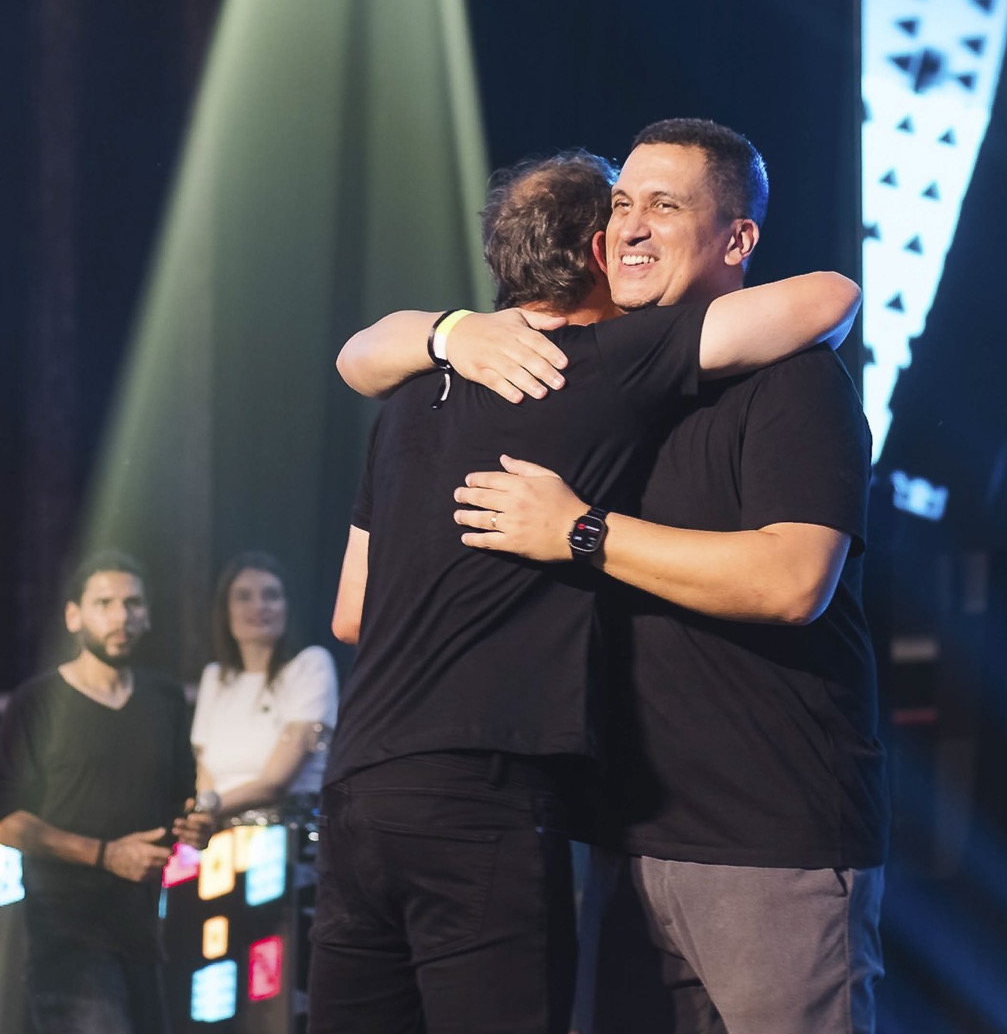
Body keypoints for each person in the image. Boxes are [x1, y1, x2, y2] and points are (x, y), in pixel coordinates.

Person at [343, 119, 888, 1034]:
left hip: (768, 840)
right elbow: (363, 356)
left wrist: (582, 532)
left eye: (664, 206)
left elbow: (794, 580)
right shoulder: (586, 379)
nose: (630, 226)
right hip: (619, 844)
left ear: (737, 240)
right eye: (622, 204)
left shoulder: (792, 381)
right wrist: (449, 332)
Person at [0, 552, 213, 1034]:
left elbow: (181, 797)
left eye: (133, 603)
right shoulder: (38, 701)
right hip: (67, 936)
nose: (121, 616)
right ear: (74, 616)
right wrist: (106, 855)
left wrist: (198, 823)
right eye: (104, 603)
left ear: (147, 615)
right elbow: (2, 821)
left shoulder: (164, 697)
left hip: (143, 932)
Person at [189, 551, 338, 818]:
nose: (259, 606)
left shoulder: (310, 665)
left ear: (287, 606)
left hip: (288, 831)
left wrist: (206, 810)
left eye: (271, 595)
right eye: (244, 597)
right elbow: (204, 774)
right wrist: (202, 819)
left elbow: (275, 783)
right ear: (226, 610)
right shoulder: (215, 676)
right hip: (220, 832)